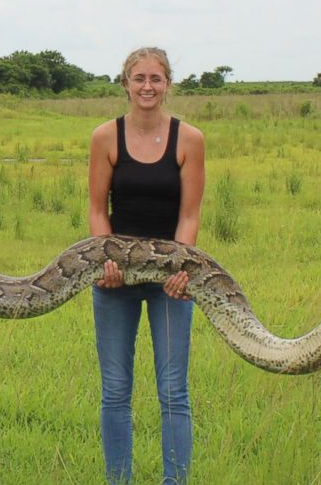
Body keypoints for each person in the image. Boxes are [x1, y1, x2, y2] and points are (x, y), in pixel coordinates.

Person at [87, 47, 206, 484]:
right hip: (114, 279)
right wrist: (105, 259)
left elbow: (189, 214)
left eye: (156, 79)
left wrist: (180, 269)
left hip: (171, 281)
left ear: (168, 84)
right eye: (139, 78)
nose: (147, 87)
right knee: (115, 391)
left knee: (174, 392)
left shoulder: (189, 139)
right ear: (125, 83)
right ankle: (119, 480)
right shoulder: (105, 137)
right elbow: (98, 209)